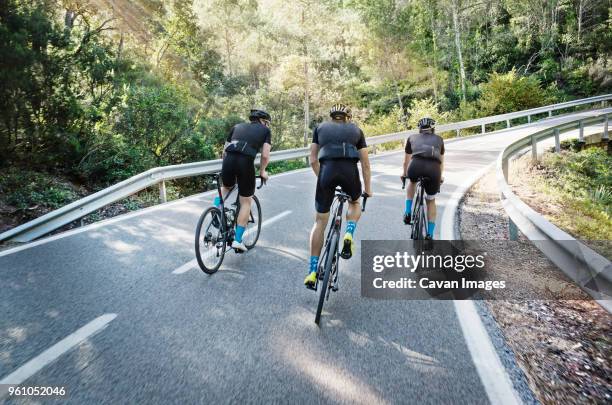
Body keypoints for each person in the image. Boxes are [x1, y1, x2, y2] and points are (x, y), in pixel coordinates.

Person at [304, 104, 372, 288]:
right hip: (349, 173)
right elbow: (365, 164)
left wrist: (323, 179)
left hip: (327, 172)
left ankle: (312, 271)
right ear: (347, 117)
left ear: (332, 116)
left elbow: (312, 159)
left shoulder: (320, 128)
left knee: (320, 223)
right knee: (355, 202)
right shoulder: (357, 130)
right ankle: (349, 232)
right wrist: (368, 189)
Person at [215, 109, 272, 252]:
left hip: (228, 160)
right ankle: (238, 240)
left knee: (226, 187)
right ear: (263, 121)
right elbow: (265, 156)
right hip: (245, 163)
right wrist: (262, 171)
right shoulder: (265, 131)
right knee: (246, 201)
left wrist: (228, 167)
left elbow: (224, 151)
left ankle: (216, 210)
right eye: (267, 123)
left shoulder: (237, 126)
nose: (267, 125)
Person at [402, 117, 445, 240]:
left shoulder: (411, 138)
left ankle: (408, 211)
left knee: (412, 182)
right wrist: (440, 177)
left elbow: (406, 161)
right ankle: (430, 234)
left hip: (415, 166)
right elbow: (441, 162)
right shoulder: (439, 140)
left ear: (419, 129)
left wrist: (404, 174)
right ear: (433, 129)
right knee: (430, 200)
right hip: (434, 170)